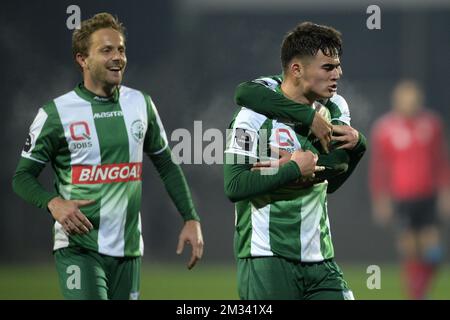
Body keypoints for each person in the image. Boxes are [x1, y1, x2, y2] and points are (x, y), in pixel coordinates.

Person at [12, 12, 204, 300]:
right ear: (82, 60)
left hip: (128, 250)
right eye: (106, 50)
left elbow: (166, 164)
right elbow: (22, 177)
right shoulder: (55, 114)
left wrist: (190, 218)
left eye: (121, 49)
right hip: (79, 247)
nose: (118, 57)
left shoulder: (141, 104)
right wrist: (53, 203)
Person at [224, 22, 366, 300]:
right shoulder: (251, 117)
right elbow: (235, 184)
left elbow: (336, 168)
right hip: (266, 257)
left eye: (337, 65)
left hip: (320, 256)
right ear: (297, 70)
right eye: (328, 67)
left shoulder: (335, 106)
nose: (338, 73)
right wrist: (292, 169)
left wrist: (359, 146)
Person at [369, 80, 450, 299]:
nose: (410, 103)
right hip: (402, 197)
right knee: (410, 249)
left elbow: (441, 161)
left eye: (413, 98)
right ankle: (417, 294)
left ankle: (420, 291)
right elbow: (379, 169)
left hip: (427, 196)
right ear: (396, 101)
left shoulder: (432, 124)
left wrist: (445, 192)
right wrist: (381, 199)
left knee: (433, 252)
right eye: (405, 98)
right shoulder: (385, 129)